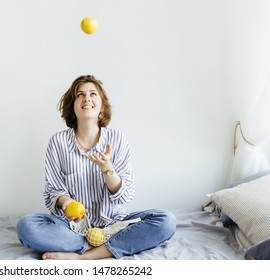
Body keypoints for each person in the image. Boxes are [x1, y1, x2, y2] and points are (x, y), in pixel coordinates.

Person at [16, 75, 176, 260]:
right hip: (71, 228)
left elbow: (125, 195)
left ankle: (85, 256)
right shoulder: (58, 142)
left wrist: (107, 169)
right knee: (26, 226)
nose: (87, 99)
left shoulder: (117, 139)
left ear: (101, 106)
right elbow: (53, 190)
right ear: (73, 105)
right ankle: (87, 244)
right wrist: (66, 202)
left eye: (93, 94)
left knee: (166, 221)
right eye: (80, 95)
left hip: (113, 225)